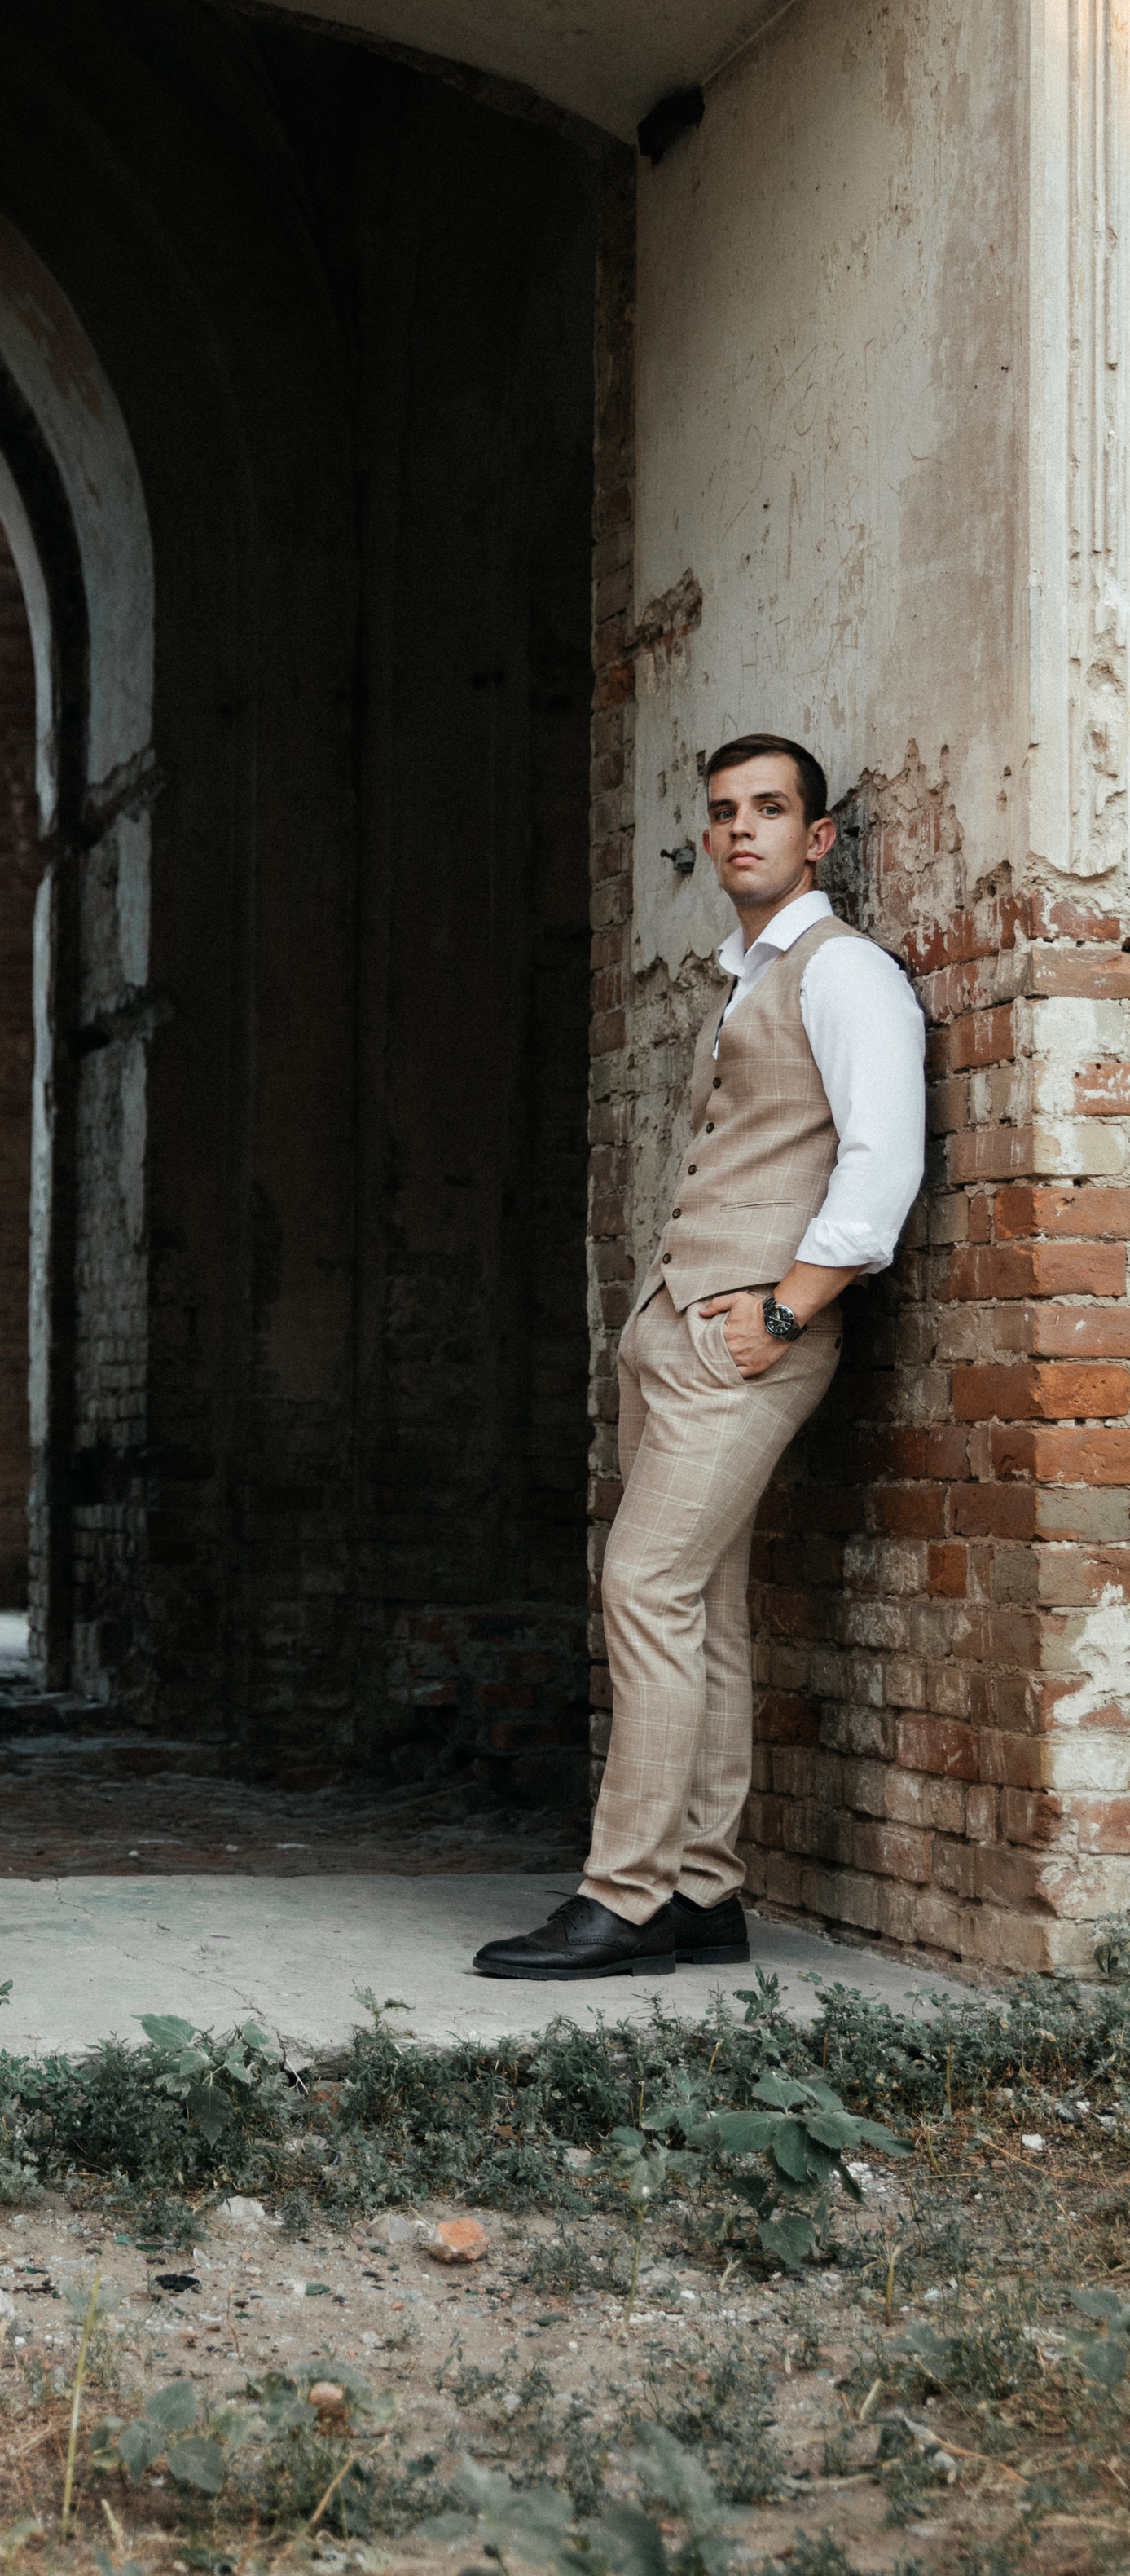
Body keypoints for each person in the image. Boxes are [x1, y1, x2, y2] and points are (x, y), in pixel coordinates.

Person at [474, 734, 924, 1981]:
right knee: (706, 1608)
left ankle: (621, 1901)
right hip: (678, 1337)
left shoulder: (845, 976)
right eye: (724, 812)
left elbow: (883, 1162)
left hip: (750, 1339)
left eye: (770, 811)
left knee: (646, 1585)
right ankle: (704, 1893)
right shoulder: (740, 974)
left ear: (817, 837)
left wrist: (786, 1310)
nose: (742, 831)